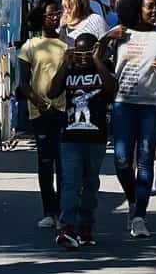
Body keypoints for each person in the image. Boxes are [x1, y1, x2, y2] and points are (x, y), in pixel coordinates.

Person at [109, 0, 156, 238]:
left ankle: (139, 215)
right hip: (122, 104)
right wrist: (107, 38)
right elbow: (99, 60)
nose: (155, 10)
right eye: (150, 5)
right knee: (120, 160)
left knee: (144, 159)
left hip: (150, 106)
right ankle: (132, 199)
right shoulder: (121, 33)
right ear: (136, 8)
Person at [49, 32, 116, 249]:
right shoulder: (70, 70)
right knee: (70, 182)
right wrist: (64, 65)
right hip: (70, 137)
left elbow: (112, 90)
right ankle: (67, 227)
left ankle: (86, 227)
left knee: (90, 183)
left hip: (96, 138)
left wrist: (97, 61)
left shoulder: (104, 67)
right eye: (78, 53)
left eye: (87, 52)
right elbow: (52, 92)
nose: (82, 57)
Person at [19, 0, 68, 229]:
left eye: (58, 13)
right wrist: (36, 101)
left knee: (63, 162)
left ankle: (63, 210)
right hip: (38, 111)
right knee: (45, 162)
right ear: (41, 17)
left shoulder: (66, 45)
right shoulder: (29, 46)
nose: (56, 17)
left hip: (61, 109)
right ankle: (49, 210)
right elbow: (23, 83)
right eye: (51, 14)